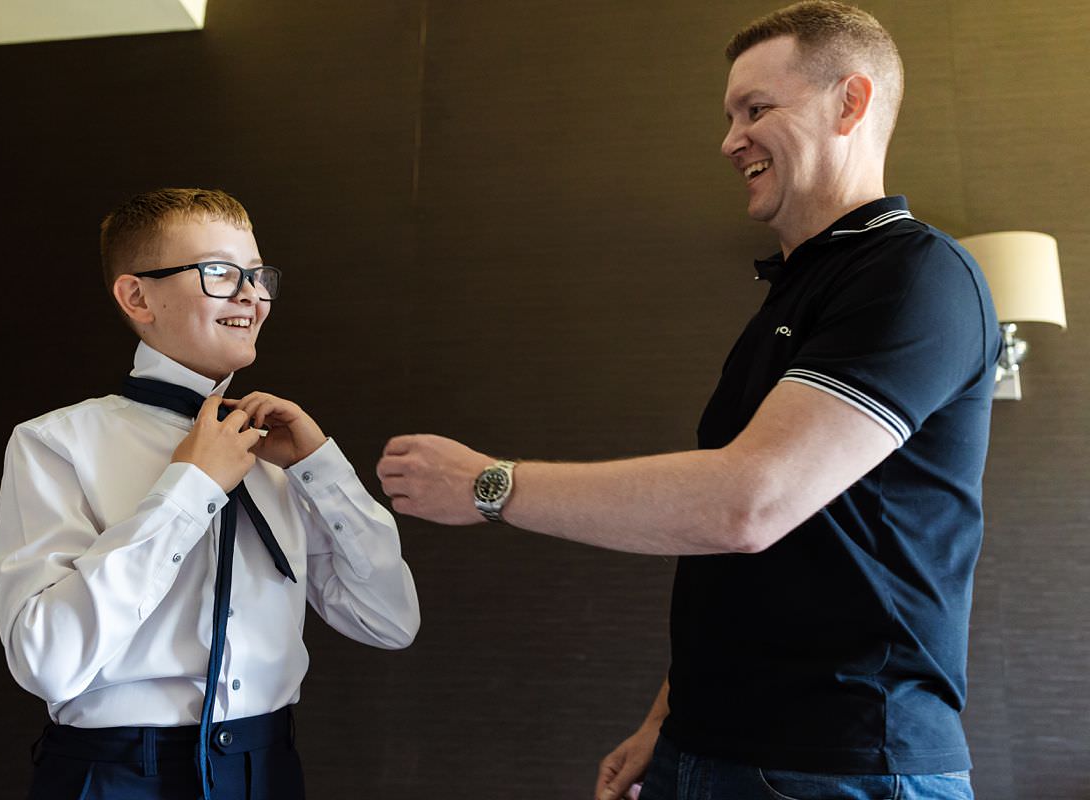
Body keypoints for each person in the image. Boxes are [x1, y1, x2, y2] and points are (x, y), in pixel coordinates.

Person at [376, 3, 997, 799]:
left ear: (851, 102)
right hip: (709, 746)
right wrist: (666, 720)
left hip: (840, 765)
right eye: (730, 114)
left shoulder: (916, 275)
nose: (730, 138)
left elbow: (748, 504)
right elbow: (747, 556)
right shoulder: (799, 292)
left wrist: (487, 486)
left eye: (756, 109)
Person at [0, 188, 420, 800]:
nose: (253, 295)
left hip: (266, 771)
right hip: (113, 777)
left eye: (257, 274)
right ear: (137, 296)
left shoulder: (278, 451)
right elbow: (46, 661)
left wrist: (322, 469)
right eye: (220, 272)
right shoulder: (55, 443)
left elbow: (391, 622)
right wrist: (190, 489)